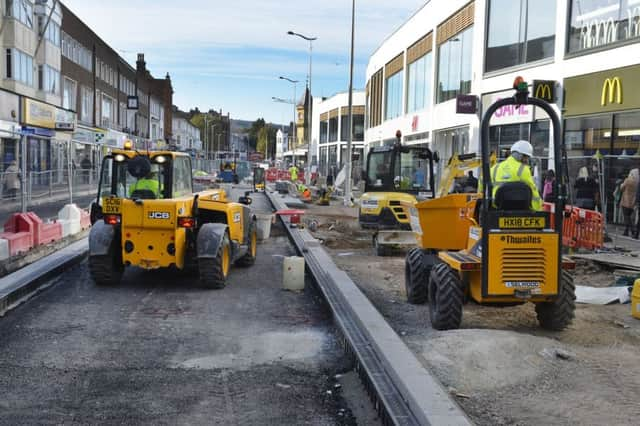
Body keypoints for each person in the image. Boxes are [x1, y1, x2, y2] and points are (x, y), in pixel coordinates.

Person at [489, 140, 542, 211]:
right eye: (526, 157)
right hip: (519, 210)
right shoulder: (523, 169)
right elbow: (533, 191)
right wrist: (538, 209)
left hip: (497, 209)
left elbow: (483, 186)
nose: (527, 160)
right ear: (520, 156)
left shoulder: (494, 168)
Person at [619, 168, 638, 237]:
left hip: (625, 200)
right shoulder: (637, 182)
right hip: (632, 201)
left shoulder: (627, 180)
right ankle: (626, 231)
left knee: (626, 217)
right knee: (629, 216)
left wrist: (621, 185)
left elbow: (622, 188)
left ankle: (632, 230)